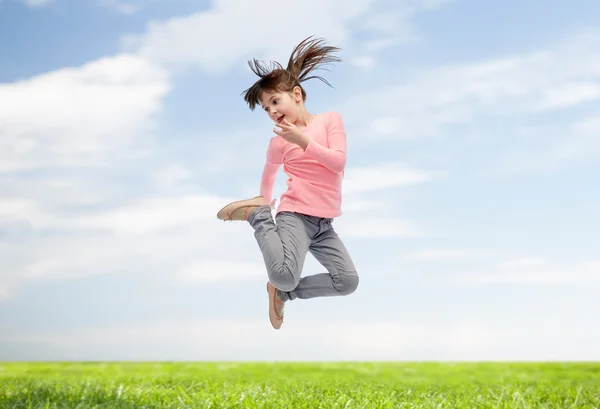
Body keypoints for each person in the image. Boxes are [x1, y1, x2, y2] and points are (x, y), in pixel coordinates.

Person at [216, 36, 359, 330]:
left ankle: (284, 293)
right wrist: (263, 202)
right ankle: (259, 218)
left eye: (274, 101)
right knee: (283, 272)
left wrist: (303, 141)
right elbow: (269, 173)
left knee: (346, 282)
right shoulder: (279, 143)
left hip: (324, 225)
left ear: (296, 95)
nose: (270, 111)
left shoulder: (330, 121)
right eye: (265, 108)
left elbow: (338, 162)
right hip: (294, 216)